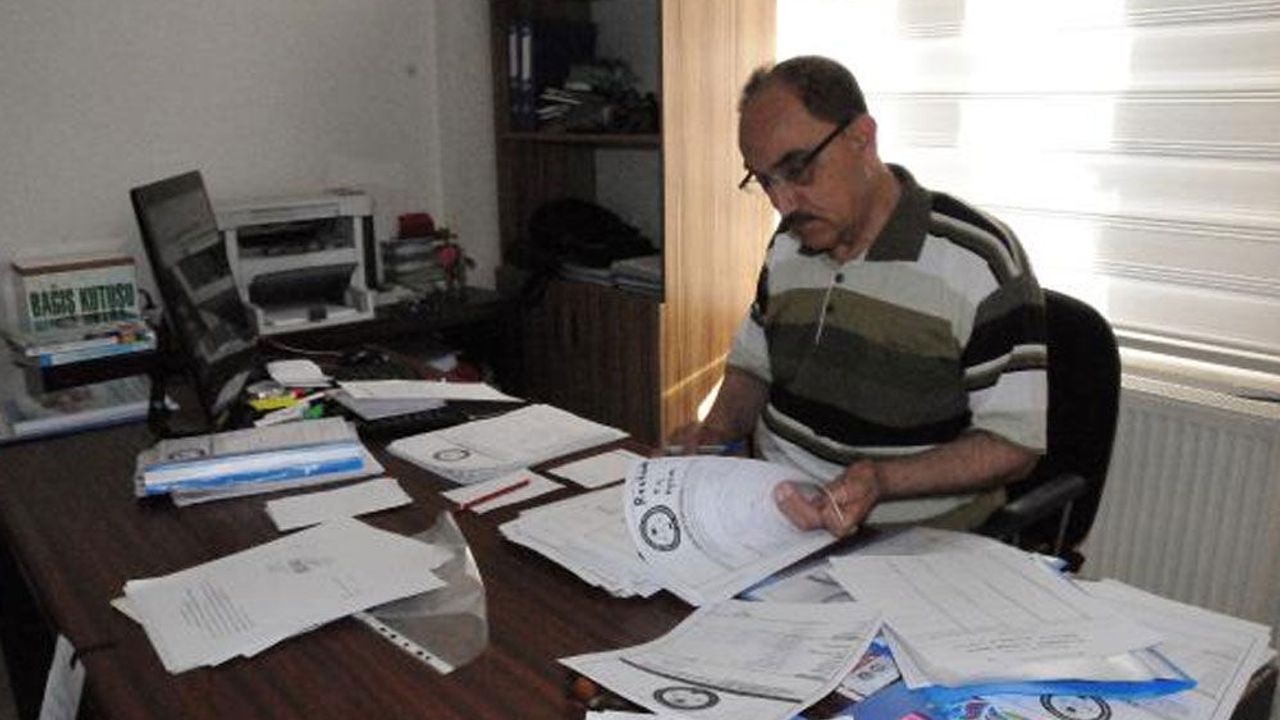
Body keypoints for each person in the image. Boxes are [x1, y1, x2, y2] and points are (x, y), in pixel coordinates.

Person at [669, 55, 1048, 537]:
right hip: (777, 518)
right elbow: (752, 367)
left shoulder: (978, 261)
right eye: (764, 180)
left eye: (798, 169)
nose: (783, 203)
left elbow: (1014, 446)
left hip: (911, 541)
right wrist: (715, 432)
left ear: (861, 138)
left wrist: (881, 480)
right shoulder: (789, 245)